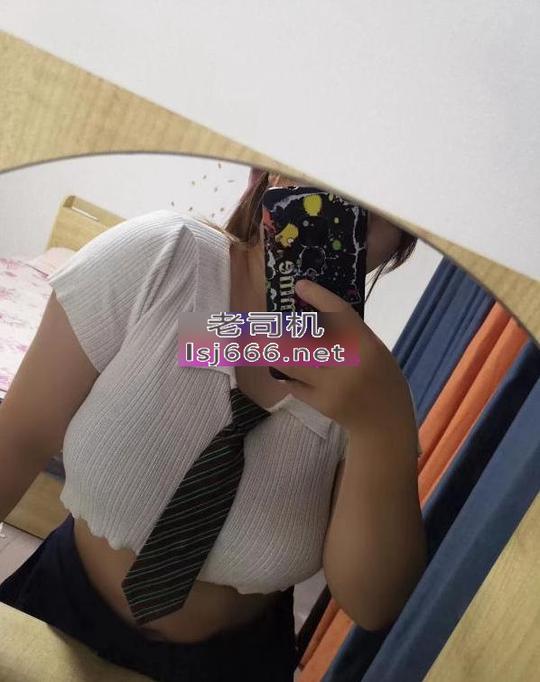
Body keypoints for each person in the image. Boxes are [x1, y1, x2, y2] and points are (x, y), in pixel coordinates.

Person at [0, 170, 427, 681]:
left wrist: (384, 432)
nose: (336, 213)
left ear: (404, 238)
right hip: (55, 615)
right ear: (271, 170)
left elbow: (373, 606)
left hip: (238, 665)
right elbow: (18, 438)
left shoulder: (373, 391)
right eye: (323, 179)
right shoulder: (159, 256)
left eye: (375, 208)